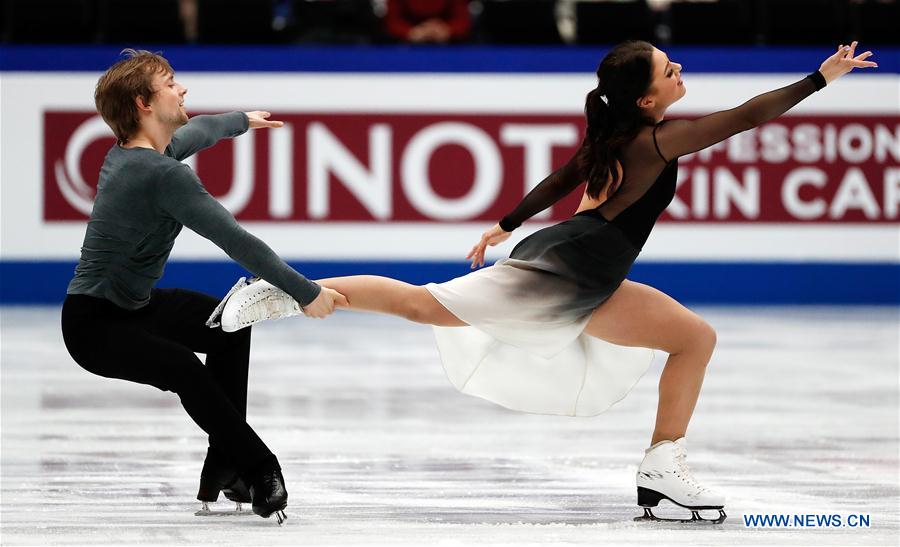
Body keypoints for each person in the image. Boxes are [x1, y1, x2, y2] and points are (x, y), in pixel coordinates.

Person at [212, 41, 876, 522]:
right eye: (668, 69)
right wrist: (818, 79)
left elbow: (560, 180)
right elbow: (744, 117)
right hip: (567, 273)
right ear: (647, 99)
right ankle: (280, 289)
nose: (678, 68)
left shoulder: (617, 137)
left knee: (694, 338)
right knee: (424, 305)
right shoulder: (654, 141)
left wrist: (505, 223)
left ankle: (662, 467)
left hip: (588, 272)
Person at [59, 49, 347, 524]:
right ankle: (259, 467)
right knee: (183, 367)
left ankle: (224, 467)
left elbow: (200, 130)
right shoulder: (158, 175)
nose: (182, 88)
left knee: (228, 325)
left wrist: (241, 121)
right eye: (170, 83)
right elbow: (236, 240)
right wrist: (306, 292)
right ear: (143, 104)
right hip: (95, 326)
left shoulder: (144, 153)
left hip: (135, 308)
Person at [383, 0, 471, 44]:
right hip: (405, 46)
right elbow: (392, 20)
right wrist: (411, 32)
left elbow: (462, 19)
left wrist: (447, 30)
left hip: (450, 46)